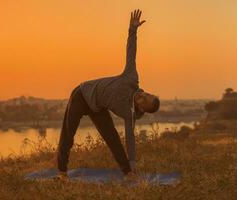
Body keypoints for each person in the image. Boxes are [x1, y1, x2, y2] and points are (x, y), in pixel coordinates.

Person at [57, 9, 160, 179]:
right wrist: (132, 30)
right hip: (82, 94)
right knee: (68, 133)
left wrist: (132, 165)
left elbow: (130, 139)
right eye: (147, 95)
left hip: (98, 107)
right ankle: (62, 171)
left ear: (142, 109)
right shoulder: (131, 78)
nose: (143, 96)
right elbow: (131, 53)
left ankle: (127, 172)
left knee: (112, 138)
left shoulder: (130, 114)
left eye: (145, 101)